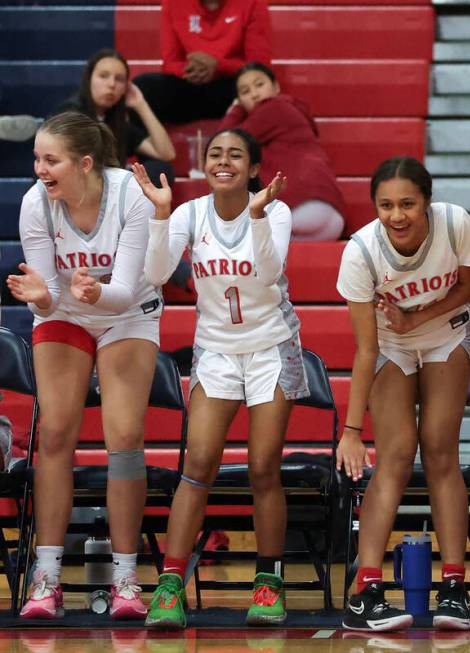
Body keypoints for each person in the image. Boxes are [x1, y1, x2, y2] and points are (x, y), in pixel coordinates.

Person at [133, 128, 309, 629]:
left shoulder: (275, 210)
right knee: (199, 464)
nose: (223, 161)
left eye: (235, 153)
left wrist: (255, 217)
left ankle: (268, 583)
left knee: (262, 467)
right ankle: (169, 586)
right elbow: (156, 273)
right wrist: (162, 216)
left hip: (271, 346)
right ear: (204, 164)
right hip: (216, 351)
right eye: (214, 154)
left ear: (253, 168)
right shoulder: (189, 212)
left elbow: (269, 273)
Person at [6, 111, 162, 620]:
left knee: (124, 436)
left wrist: (96, 291)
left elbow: (123, 291)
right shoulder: (36, 204)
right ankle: (45, 577)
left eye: (51, 160)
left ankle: (125, 578)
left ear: (85, 163)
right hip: (68, 314)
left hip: (127, 312)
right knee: (54, 433)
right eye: (36, 159)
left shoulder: (128, 195)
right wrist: (43, 301)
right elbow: (47, 297)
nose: (40, 170)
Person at [336, 156, 470, 632]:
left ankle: (455, 587)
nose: (396, 215)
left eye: (407, 204)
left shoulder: (455, 222)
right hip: (389, 345)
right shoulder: (360, 252)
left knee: (440, 450)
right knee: (395, 453)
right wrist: (351, 431)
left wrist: (419, 317)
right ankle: (367, 591)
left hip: (445, 333)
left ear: (427, 202)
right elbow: (365, 349)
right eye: (385, 205)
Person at [219, 62, 347, 240]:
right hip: (332, 218)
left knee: (232, 235)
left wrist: (237, 108)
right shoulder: (290, 109)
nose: (255, 94)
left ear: (276, 86)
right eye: (245, 92)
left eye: (259, 84)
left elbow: (224, 143)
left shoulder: (274, 107)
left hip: (303, 205)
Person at [133, 0, 272, 125]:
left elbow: (260, 66)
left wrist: (218, 66)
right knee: (142, 89)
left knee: (257, 89)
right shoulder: (172, 2)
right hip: (190, 84)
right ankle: (155, 152)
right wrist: (193, 70)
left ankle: (251, 151)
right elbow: (170, 63)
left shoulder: (254, 3)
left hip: (232, 87)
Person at [54, 49, 176, 187]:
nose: (112, 84)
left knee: (160, 170)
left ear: (126, 87)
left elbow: (166, 153)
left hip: (110, 193)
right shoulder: (70, 114)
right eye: (103, 76)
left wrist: (141, 104)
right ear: (89, 80)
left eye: (119, 79)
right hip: (79, 189)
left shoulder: (116, 121)